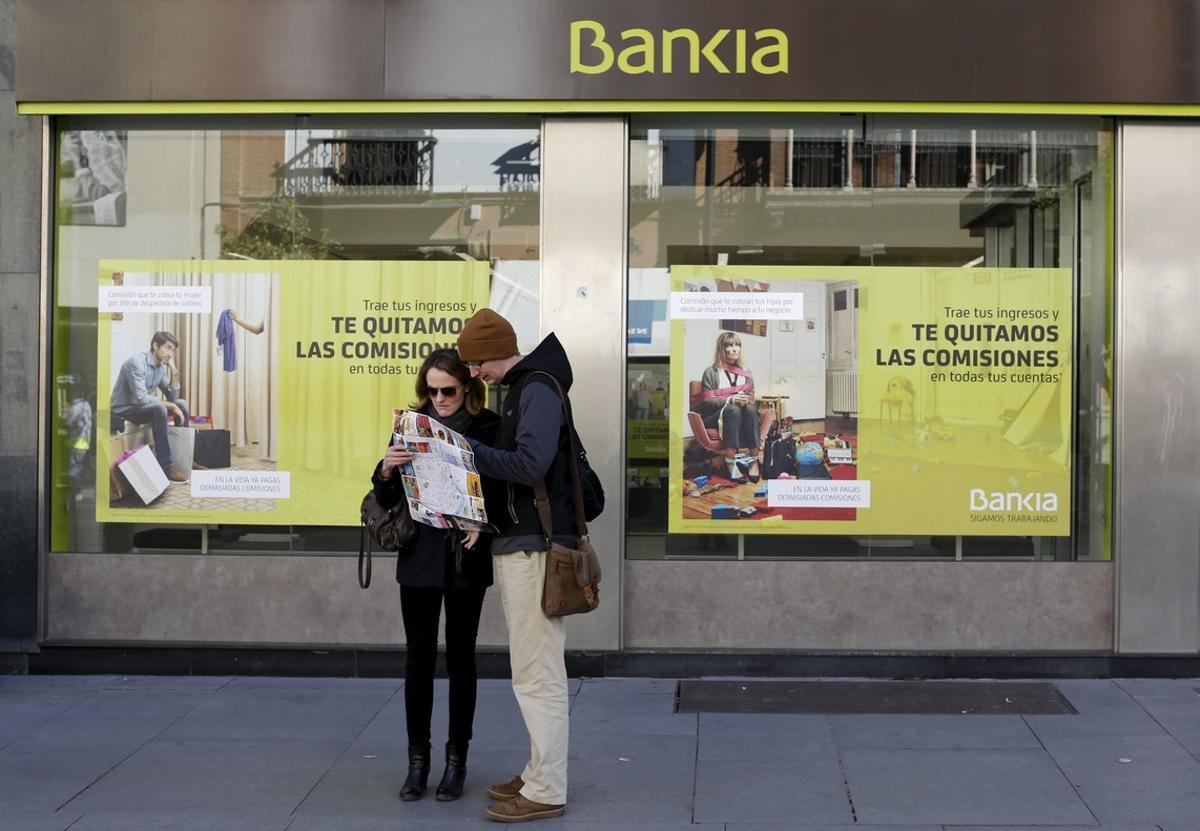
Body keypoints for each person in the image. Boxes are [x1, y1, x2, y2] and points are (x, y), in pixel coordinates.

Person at [456, 308, 579, 823]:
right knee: (532, 669)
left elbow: (531, 464)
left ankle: (547, 789)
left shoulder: (537, 389)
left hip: (535, 550)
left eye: (475, 363)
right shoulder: (529, 388)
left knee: (538, 674)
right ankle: (536, 773)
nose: (473, 375)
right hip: (524, 545)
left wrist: (468, 451)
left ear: (495, 352)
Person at [371, 348, 504, 803]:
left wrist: (481, 522)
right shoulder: (410, 424)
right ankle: (417, 763)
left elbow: (506, 493)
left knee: (462, 659)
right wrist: (387, 467)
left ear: (467, 387)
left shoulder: (489, 426)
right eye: (431, 390)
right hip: (421, 554)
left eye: (448, 390)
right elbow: (385, 490)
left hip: (467, 555)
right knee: (418, 660)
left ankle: (455, 761)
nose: (440, 398)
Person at [110, 330, 190, 482]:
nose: (170, 353)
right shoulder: (136, 363)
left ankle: (185, 458)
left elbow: (173, 397)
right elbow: (140, 398)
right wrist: (171, 407)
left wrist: (174, 372)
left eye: (172, 350)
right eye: (167, 348)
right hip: (124, 409)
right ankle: (166, 467)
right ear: (155, 345)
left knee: (181, 404)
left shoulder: (160, 368)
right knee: (161, 408)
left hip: (140, 407)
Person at [694, 330, 760, 482]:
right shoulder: (711, 372)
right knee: (732, 408)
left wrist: (745, 401)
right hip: (714, 416)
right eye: (729, 346)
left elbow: (751, 397)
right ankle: (730, 461)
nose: (734, 348)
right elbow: (707, 402)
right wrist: (731, 400)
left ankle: (754, 459)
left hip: (741, 415)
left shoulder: (746, 373)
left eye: (737, 345)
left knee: (750, 408)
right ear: (721, 349)